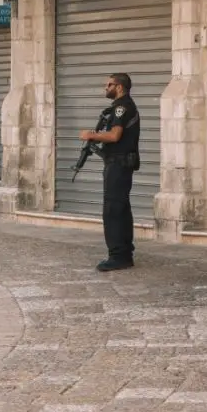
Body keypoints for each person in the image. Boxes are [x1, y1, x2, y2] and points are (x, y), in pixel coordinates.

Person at [79, 73, 140, 272]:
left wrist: (92, 135)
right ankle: (124, 252)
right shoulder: (119, 107)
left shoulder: (122, 107)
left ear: (119, 87)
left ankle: (118, 255)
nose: (106, 88)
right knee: (121, 208)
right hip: (118, 164)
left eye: (109, 84)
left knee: (113, 210)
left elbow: (115, 136)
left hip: (119, 165)